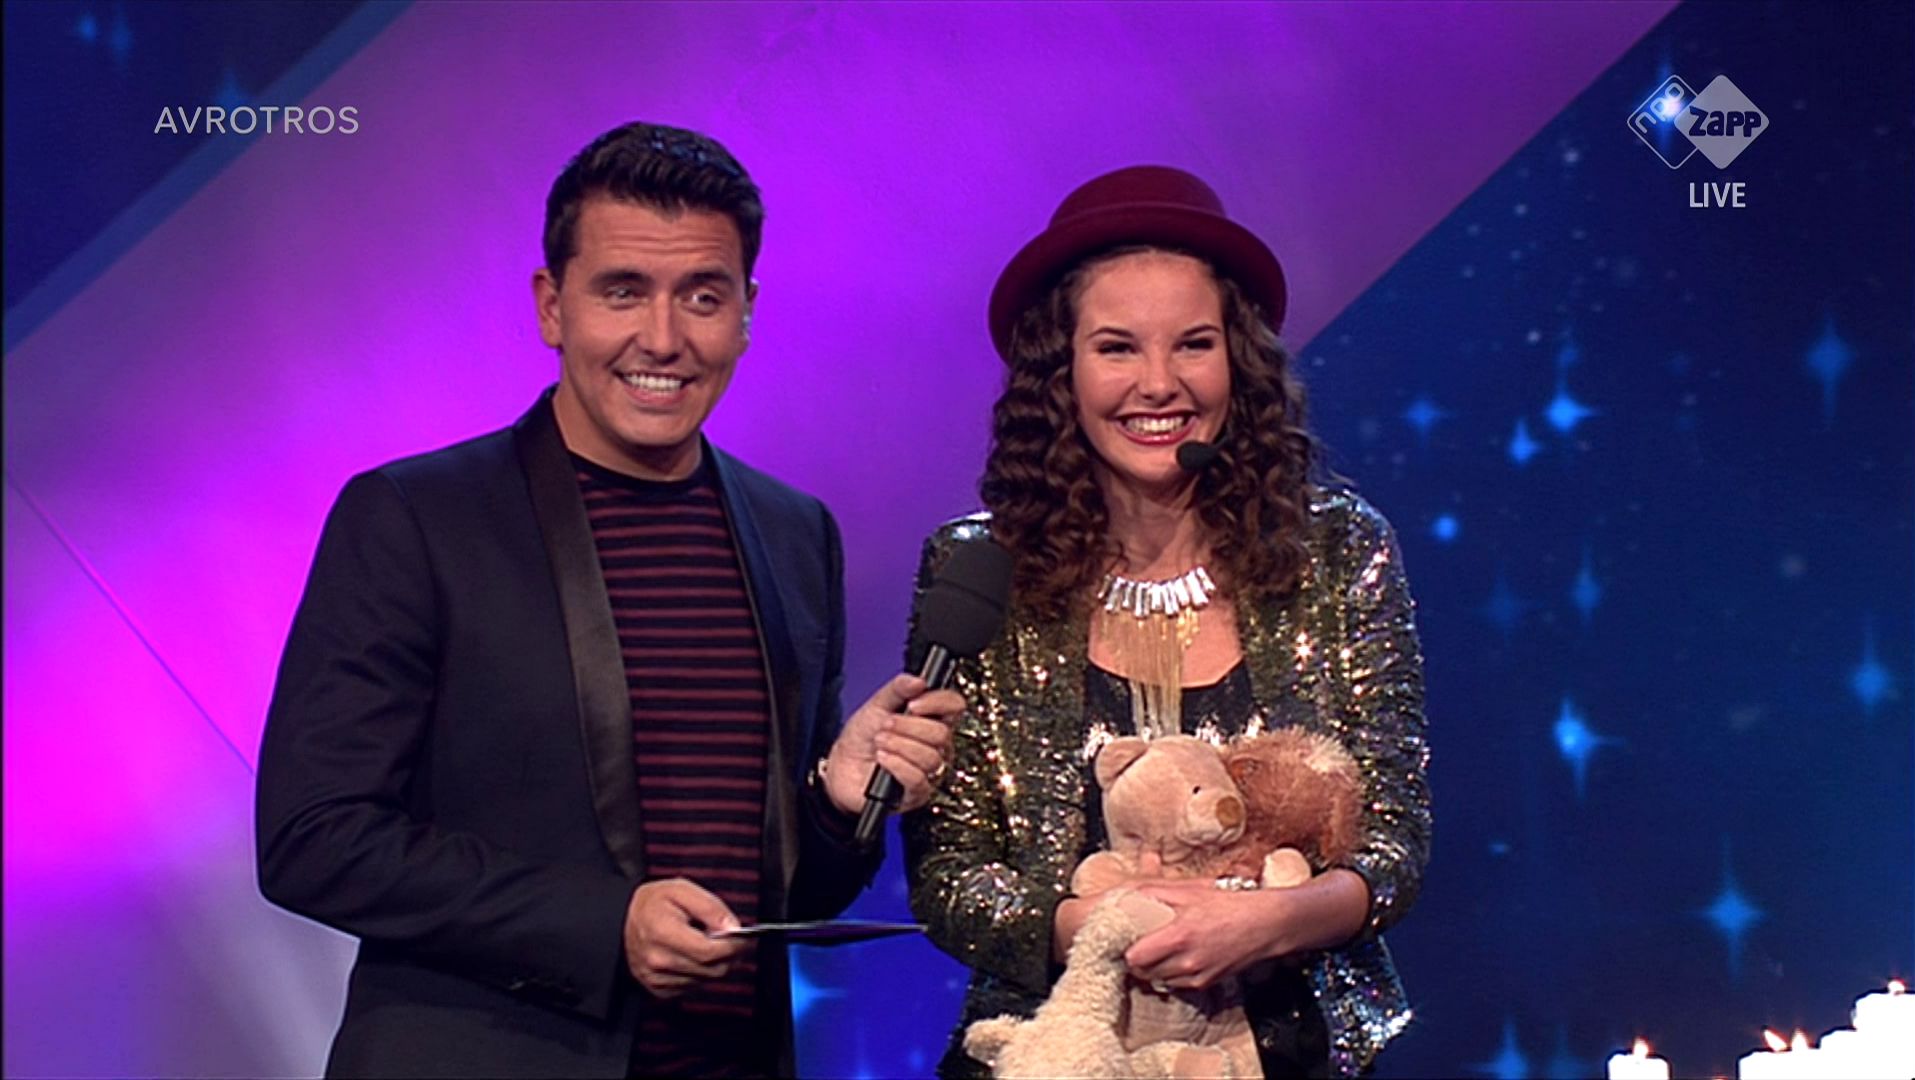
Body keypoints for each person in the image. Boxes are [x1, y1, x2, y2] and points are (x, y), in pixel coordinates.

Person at [255, 121, 961, 1079]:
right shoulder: (415, 518)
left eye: (702, 296)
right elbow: (313, 840)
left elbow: (784, 892)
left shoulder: (796, 534)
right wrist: (603, 924)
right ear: (553, 306)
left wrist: (839, 804)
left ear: (746, 313)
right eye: (623, 291)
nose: (662, 339)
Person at [903, 165, 1430, 1078]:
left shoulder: (1339, 549)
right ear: (1061, 374)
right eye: (1116, 348)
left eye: (1194, 344)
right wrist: (1118, 930)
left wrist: (1272, 921)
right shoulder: (978, 566)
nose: (1158, 384)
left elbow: (1394, 839)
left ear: (1239, 363)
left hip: (1293, 1054)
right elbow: (950, 871)